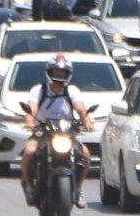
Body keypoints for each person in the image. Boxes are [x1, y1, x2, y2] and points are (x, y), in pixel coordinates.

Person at [19, 54, 94, 208]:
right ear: (50, 72)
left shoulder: (72, 90)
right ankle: (29, 186)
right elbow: (31, 109)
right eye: (56, 72)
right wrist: (30, 122)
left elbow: (80, 107)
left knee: (85, 154)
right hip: (42, 132)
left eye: (62, 73)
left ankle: (79, 188)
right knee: (28, 152)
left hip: (66, 133)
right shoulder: (39, 90)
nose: (59, 76)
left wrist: (86, 120)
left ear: (68, 74)